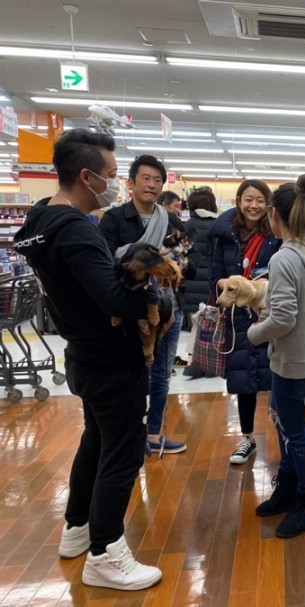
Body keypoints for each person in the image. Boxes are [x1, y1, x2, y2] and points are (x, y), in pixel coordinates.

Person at [13, 129, 165, 590]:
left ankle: (77, 528)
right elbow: (116, 298)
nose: (116, 184)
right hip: (110, 358)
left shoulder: (42, 220)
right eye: (113, 176)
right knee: (121, 453)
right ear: (86, 176)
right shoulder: (77, 230)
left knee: (96, 441)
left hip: (83, 353)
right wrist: (159, 301)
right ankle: (106, 552)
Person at [99, 155, 199, 454]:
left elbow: (192, 265)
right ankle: (128, 438)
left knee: (160, 374)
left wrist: (175, 264)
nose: (152, 185)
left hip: (168, 309)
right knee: (130, 375)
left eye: (157, 180)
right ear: (130, 183)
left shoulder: (169, 220)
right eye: (146, 178)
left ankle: (154, 435)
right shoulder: (114, 219)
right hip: (127, 309)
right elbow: (104, 263)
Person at [247, 174, 305, 538]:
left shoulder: (284, 258)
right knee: (286, 426)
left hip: (290, 360)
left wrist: (253, 333)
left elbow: (282, 318)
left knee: (295, 433)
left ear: (276, 216)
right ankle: (290, 486)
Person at [209, 179, 280, 464]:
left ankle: (284, 435)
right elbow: (214, 276)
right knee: (243, 379)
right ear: (238, 201)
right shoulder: (224, 237)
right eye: (248, 199)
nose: (254, 205)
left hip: (269, 313)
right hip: (237, 316)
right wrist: (224, 283)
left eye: (260, 200)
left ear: (268, 204)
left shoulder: (277, 235)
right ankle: (247, 438)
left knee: (278, 373)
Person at [182, 188, 219, 373]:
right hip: (212, 282)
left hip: (192, 281)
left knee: (196, 323)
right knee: (211, 323)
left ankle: (194, 361)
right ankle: (205, 361)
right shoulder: (219, 225)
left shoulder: (187, 225)